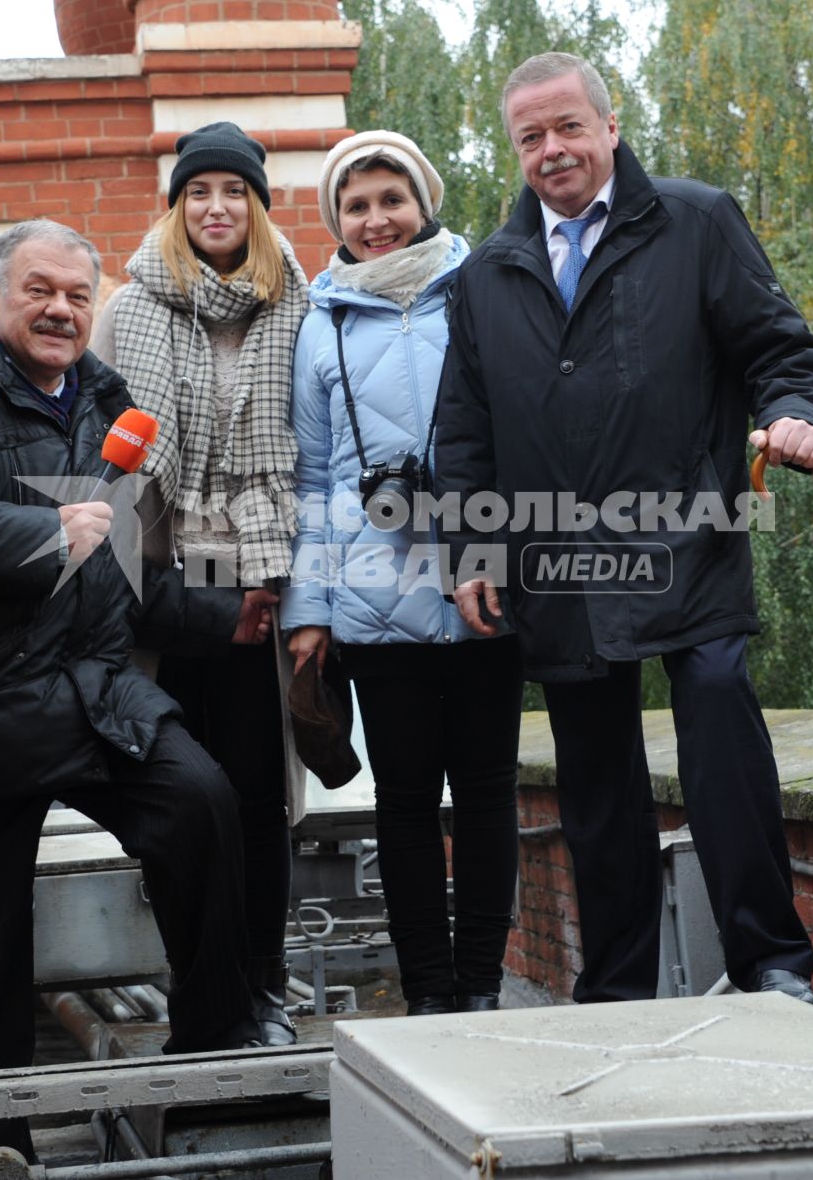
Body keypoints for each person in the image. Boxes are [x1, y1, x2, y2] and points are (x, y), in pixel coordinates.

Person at [0, 219, 277, 1165]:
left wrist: (222, 617)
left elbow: (109, 566)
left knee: (202, 807)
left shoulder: (101, 402)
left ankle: (209, 1054)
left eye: (79, 296)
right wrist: (37, 530)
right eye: (40, 290)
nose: (61, 310)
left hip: (90, 695)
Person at [432, 52, 813, 1007]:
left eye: (569, 126)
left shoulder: (696, 222)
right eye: (530, 136)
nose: (552, 150)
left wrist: (799, 414)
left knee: (719, 723)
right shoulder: (487, 272)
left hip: (686, 536)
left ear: (611, 127)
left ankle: (772, 964)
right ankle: (616, 989)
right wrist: (472, 551)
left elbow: (786, 350)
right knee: (595, 785)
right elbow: (463, 428)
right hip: (556, 559)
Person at [281, 131, 525, 1015]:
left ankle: (482, 987)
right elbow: (311, 477)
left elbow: (514, 438)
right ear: (337, 220)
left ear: (424, 201)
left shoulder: (484, 291)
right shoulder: (320, 324)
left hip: (481, 583)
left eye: (392, 199)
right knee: (408, 803)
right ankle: (429, 995)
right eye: (357, 205)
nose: (376, 219)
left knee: (490, 794)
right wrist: (308, 606)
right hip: (372, 601)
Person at [89, 122, 309, 1047]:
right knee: (183, 793)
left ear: (256, 204)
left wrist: (277, 580)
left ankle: (261, 983)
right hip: (165, 580)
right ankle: (199, 988)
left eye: (233, 190)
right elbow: (105, 458)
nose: (215, 207)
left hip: (264, 571)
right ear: (178, 205)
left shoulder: (299, 304)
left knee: (259, 793)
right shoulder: (128, 310)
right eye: (198, 191)